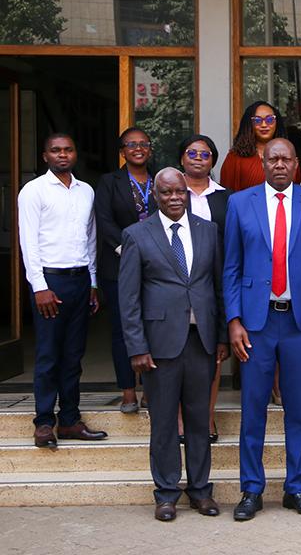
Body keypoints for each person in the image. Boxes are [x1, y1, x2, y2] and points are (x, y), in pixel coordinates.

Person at [223, 138, 301, 521]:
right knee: (253, 409)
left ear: (296, 164)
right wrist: (233, 320)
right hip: (256, 322)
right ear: (263, 162)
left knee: (297, 410)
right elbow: (231, 268)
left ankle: (296, 488)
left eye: (286, 159)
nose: (280, 164)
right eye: (273, 159)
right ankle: (251, 490)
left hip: (300, 323)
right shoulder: (239, 203)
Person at [118, 168, 229, 522]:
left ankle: (200, 491)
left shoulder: (208, 230)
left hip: (202, 343)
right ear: (156, 195)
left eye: (179, 191)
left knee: (199, 421)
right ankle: (166, 494)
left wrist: (223, 337)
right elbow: (129, 298)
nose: (175, 198)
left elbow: (218, 289)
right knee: (164, 423)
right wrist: (136, 347)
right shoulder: (137, 235)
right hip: (159, 347)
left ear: (187, 192)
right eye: (166, 192)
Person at [18, 133, 107, 448]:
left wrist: (93, 283)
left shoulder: (86, 192)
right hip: (50, 282)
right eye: (55, 150)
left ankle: (69, 419)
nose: (62, 154)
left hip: (81, 280)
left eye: (68, 149)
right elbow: (28, 243)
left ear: (75, 154)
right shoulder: (33, 191)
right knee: (48, 354)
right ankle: (44, 422)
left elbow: (90, 238)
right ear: (45, 156)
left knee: (73, 354)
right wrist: (39, 286)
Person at [220, 101, 301, 407]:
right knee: (256, 325)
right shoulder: (235, 159)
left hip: (283, 250)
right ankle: (258, 386)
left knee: (283, 326)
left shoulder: (289, 158)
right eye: (258, 119)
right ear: (248, 122)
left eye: (270, 119)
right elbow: (229, 200)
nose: (264, 124)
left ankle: (280, 385)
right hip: (252, 248)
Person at [95, 127, 154, 414]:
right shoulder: (109, 182)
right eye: (131, 145)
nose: (138, 148)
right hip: (117, 267)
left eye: (143, 144)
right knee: (123, 331)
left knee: (154, 329)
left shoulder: (160, 181)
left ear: (150, 149)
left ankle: (150, 390)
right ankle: (128, 392)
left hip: (156, 268)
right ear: (122, 152)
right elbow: (105, 223)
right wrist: (131, 252)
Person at [178, 134, 233, 443]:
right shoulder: (171, 192)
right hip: (175, 284)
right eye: (192, 152)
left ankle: (207, 418)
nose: (199, 158)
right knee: (176, 355)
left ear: (212, 160)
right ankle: (181, 421)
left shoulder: (227, 198)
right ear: (182, 158)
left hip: (214, 285)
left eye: (206, 153)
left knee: (209, 354)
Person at [220, 101, 301, 193]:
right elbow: (227, 196)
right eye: (257, 121)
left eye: (270, 120)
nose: (264, 125)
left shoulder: (289, 156)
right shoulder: (234, 157)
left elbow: (297, 192)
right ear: (249, 124)